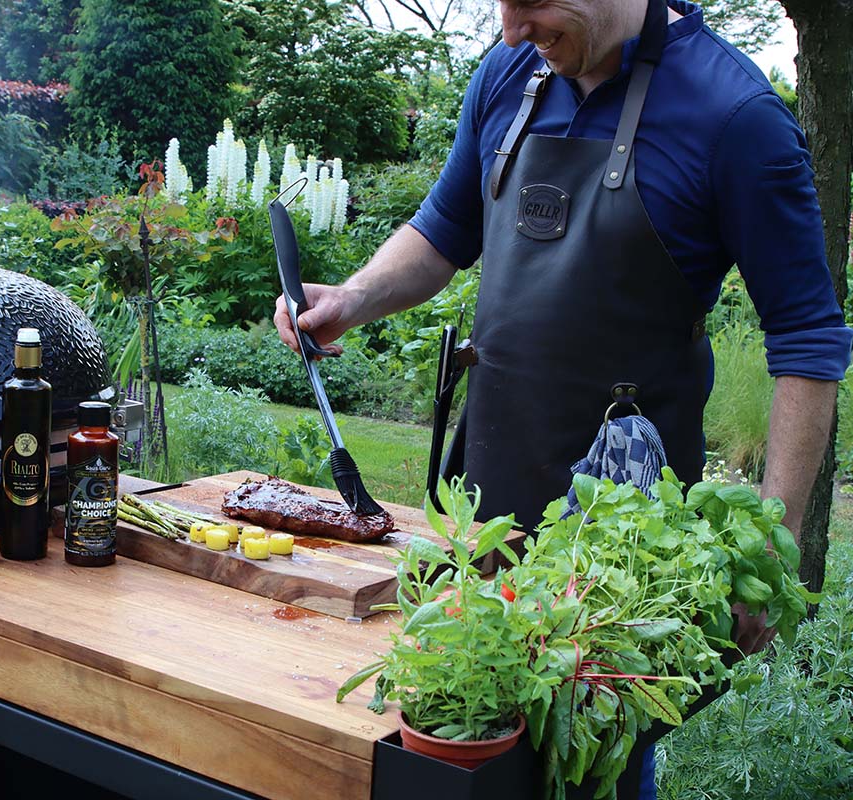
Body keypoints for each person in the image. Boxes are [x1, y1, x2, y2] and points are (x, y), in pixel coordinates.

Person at [276, 0, 850, 651]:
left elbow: (806, 342)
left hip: (626, 529)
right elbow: (443, 232)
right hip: (489, 500)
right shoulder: (506, 74)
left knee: (597, 740)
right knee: (459, 706)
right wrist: (352, 298)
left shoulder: (737, 116)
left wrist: (770, 550)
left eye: (533, 2)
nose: (511, 31)